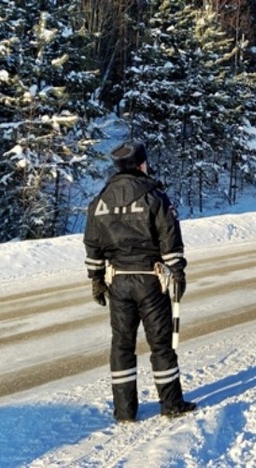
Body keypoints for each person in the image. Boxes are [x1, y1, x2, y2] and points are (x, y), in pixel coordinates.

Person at [83, 141, 196, 422]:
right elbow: (170, 240)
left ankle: (124, 411)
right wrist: (178, 273)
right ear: (141, 164)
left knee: (121, 344)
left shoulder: (99, 203)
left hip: (118, 280)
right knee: (160, 344)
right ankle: (171, 404)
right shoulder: (155, 197)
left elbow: (92, 244)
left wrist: (96, 279)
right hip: (151, 280)